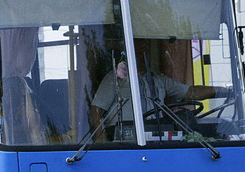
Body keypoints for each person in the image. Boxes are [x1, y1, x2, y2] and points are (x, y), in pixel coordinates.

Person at [91, 40, 231, 141]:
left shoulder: (158, 79)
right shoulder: (114, 79)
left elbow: (191, 92)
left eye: (144, 44)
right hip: (125, 143)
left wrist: (224, 91)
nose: (141, 48)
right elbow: (96, 110)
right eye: (137, 44)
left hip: (156, 142)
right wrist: (102, 145)